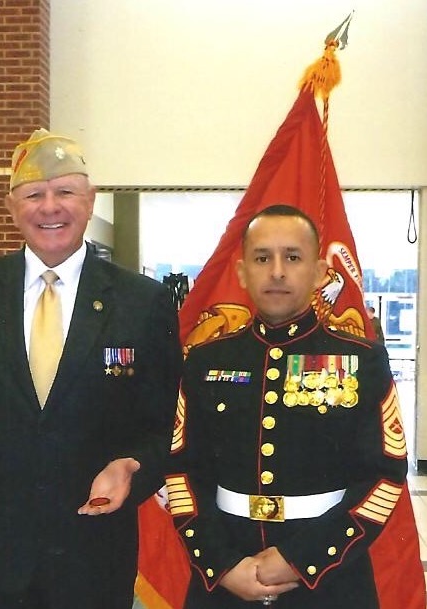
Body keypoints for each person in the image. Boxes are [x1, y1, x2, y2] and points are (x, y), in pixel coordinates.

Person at [0, 128, 183, 609]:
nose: (50, 207)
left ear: (90, 201)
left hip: (96, 545)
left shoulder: (143, 302)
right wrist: (1, 462)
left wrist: (133, 468)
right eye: (34, 194)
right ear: (11, 205)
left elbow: (162, 420)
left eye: (65, 192)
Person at [166, 204, 415, 608]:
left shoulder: (361, 359)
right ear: (242, 270)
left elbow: (384, 477)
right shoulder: (205, 361)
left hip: (331, 581)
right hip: (227, 576)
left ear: (318, 273)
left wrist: (302, 560)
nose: (277, 271)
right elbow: (181, 472)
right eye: (262, 258)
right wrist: (222, 565)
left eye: (292, 257)